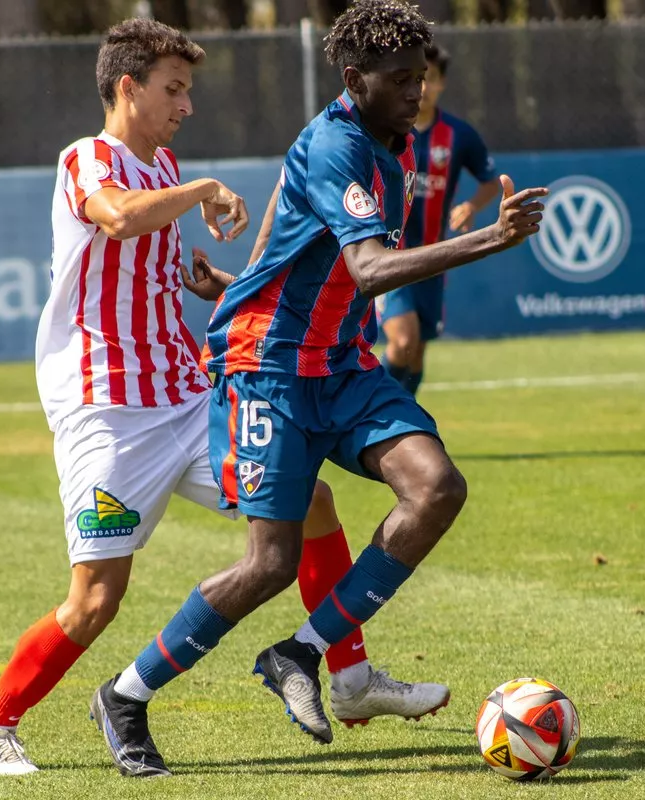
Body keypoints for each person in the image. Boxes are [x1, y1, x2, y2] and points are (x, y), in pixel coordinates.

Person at [0, 18, 443, 778]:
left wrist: (220, 283)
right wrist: (205, 190)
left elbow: (154, 267)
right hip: (108, 416)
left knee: (309, 502)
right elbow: (115, 219)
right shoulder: (88, 159)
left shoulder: (163, 168)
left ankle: (347, 676)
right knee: (94, 601)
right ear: (128, 87)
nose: (185, 106)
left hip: (187, 398)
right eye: (172, 90)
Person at [99, 0, 547, 773]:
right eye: (402, 80)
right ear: (354, 79)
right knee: (269, 565)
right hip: (268, 373)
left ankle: (300, 655)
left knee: (437, 488)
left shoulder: (391, 144)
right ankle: (127, 695)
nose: (418, 93)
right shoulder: (340, 144)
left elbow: (283, 244)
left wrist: (235, 283)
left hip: (338, 364)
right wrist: (491, 238)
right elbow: (368, 269)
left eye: (423, 77)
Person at [378, 43, 501, 396]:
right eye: (415, 79)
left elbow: (490, 181)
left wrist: (472, 206)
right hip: (391, 257)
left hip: (432, 258)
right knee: (402, 342)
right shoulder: (386, 129)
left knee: (415, 355)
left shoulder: (458, 134)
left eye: (430, 79)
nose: (423, 87)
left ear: (442, 83)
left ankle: (400, 427)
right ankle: (356, 412)